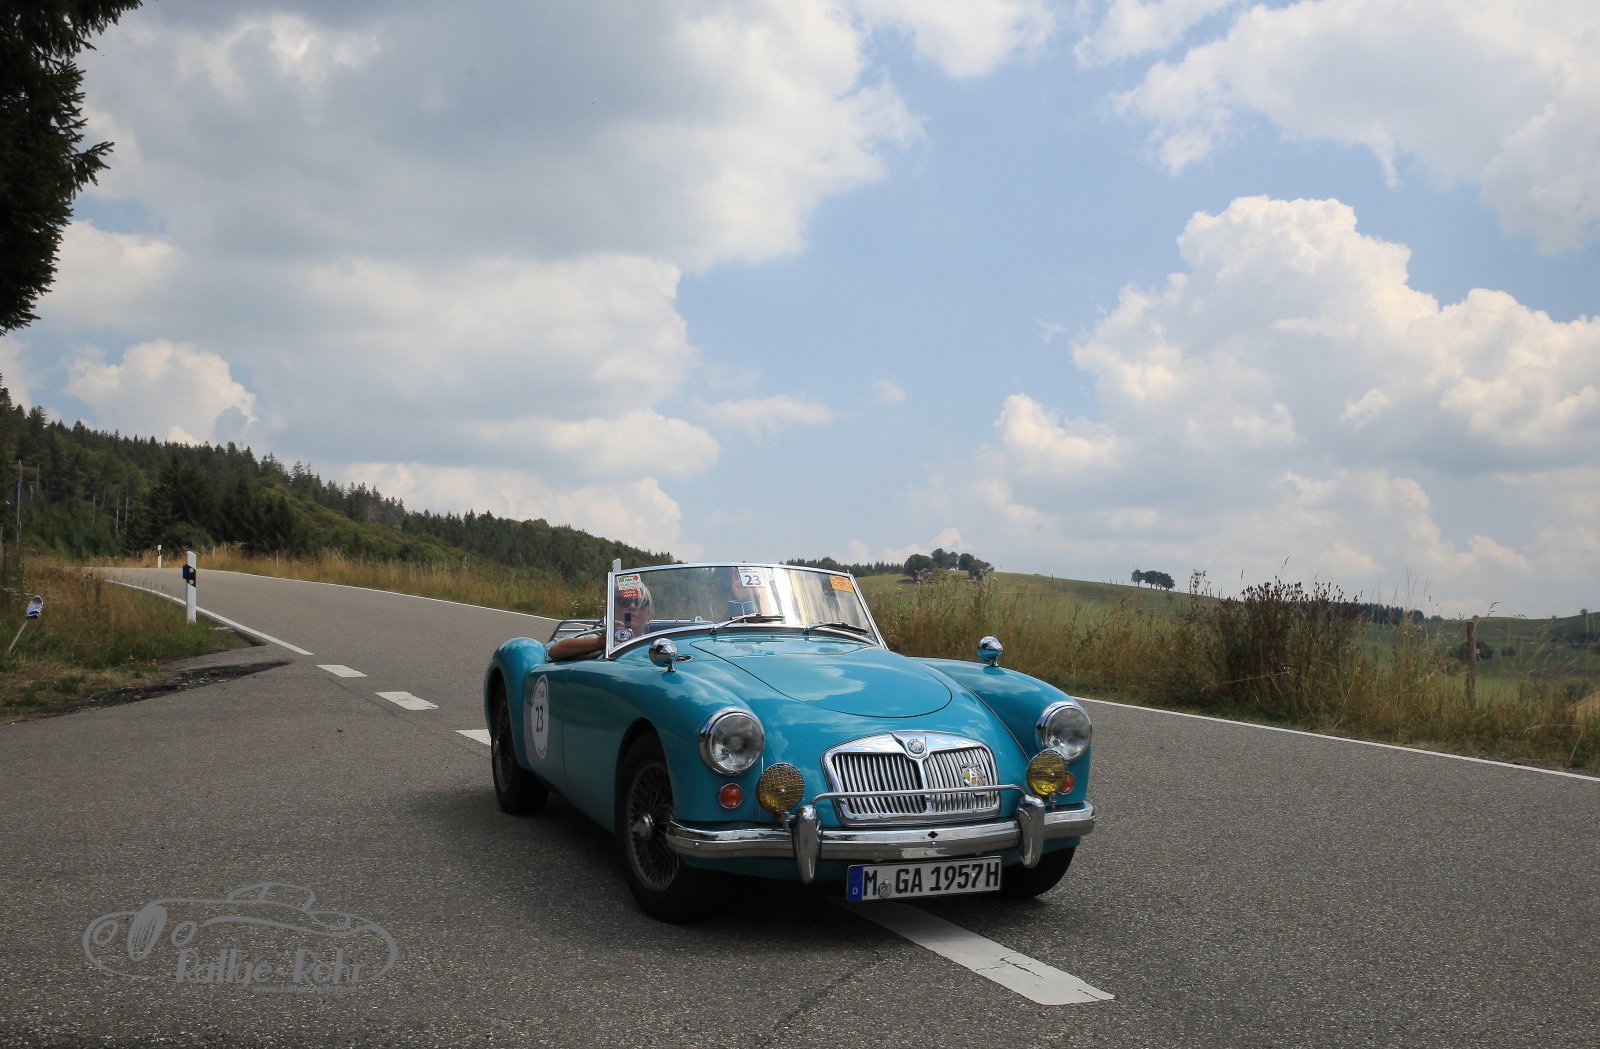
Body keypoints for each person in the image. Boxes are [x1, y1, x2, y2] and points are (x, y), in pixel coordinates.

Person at [547, 580, 652, 661]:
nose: (632, 606)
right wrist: (599, 642)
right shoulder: (603, 637)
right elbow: (555, 652)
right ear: (612, 609)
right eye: (624, 601)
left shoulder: (657, 639)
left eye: (640, 602)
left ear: (649, 612)